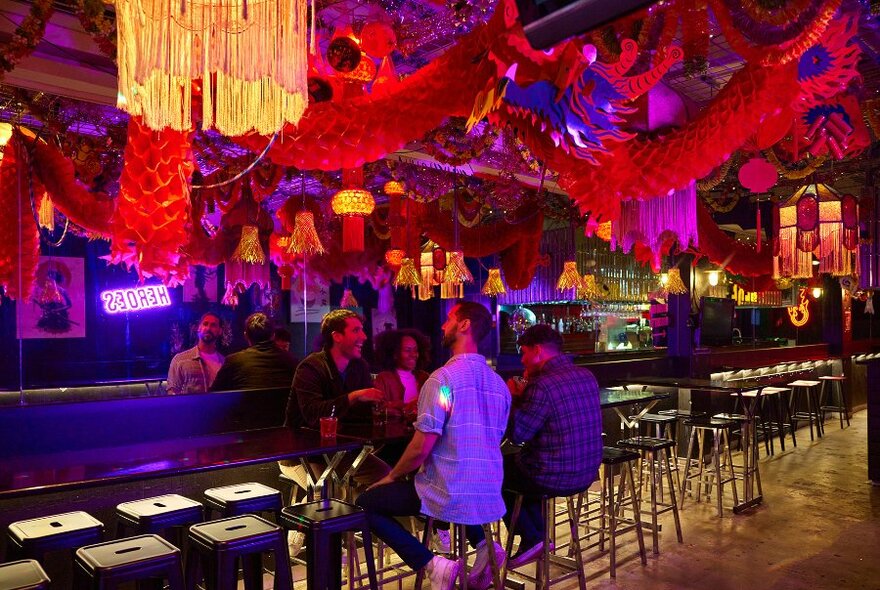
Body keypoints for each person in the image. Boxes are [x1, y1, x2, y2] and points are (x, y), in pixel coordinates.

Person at [357, 302, 511, 590]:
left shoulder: (442, 380)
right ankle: (482, 544)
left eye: (450, 319)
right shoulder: (499, 384)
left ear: (464, 325)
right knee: (451, 486)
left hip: (448, 493)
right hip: (488, 491)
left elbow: (421, 447)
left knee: (366, 503)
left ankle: (432, 564)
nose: (443, 325)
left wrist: (390, 477)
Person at [281, 310, 390, 555]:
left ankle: (348, 521)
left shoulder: (358, 367)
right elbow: (312, 414)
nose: (363, 335)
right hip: (301, 454)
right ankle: (305, 526)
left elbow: (360, 416)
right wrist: (353, 397)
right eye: (355, 330)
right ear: (336, 336)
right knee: (328, 488)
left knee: (385, 476)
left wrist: (380, 410)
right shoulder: (310, 367)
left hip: (343, 453)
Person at [503, 324, 602, 568]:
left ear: (537, 351)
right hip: (587, 473)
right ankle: (538, 539)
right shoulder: (586, 375)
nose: (522, 359)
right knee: (524, 468)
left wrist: (514, 398)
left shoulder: (542, 385)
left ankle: (533, 536)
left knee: (493, 471)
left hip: (554, 476)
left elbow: (518, 435)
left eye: (524, 352)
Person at [210, 313, 299, 391]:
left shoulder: (234, 361)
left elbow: (213, 396)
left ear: (246, 336)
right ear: (273, 336)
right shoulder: (291, 360)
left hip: (246, 410)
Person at [373, 328, 431, 418]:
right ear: (395, 354)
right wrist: (406, 407)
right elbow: (379, 408)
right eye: (408, 350)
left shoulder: (424, 377)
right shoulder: (384, 378)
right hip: (395, 430)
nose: (413, 354)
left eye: (415, 350)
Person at [166, 312, 224, 394]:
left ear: (220, 331)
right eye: (205, 324)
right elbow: (172, 392)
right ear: (199, 328)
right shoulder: (180, 360)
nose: (208, 328)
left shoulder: (223, 362)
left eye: (213, 325)